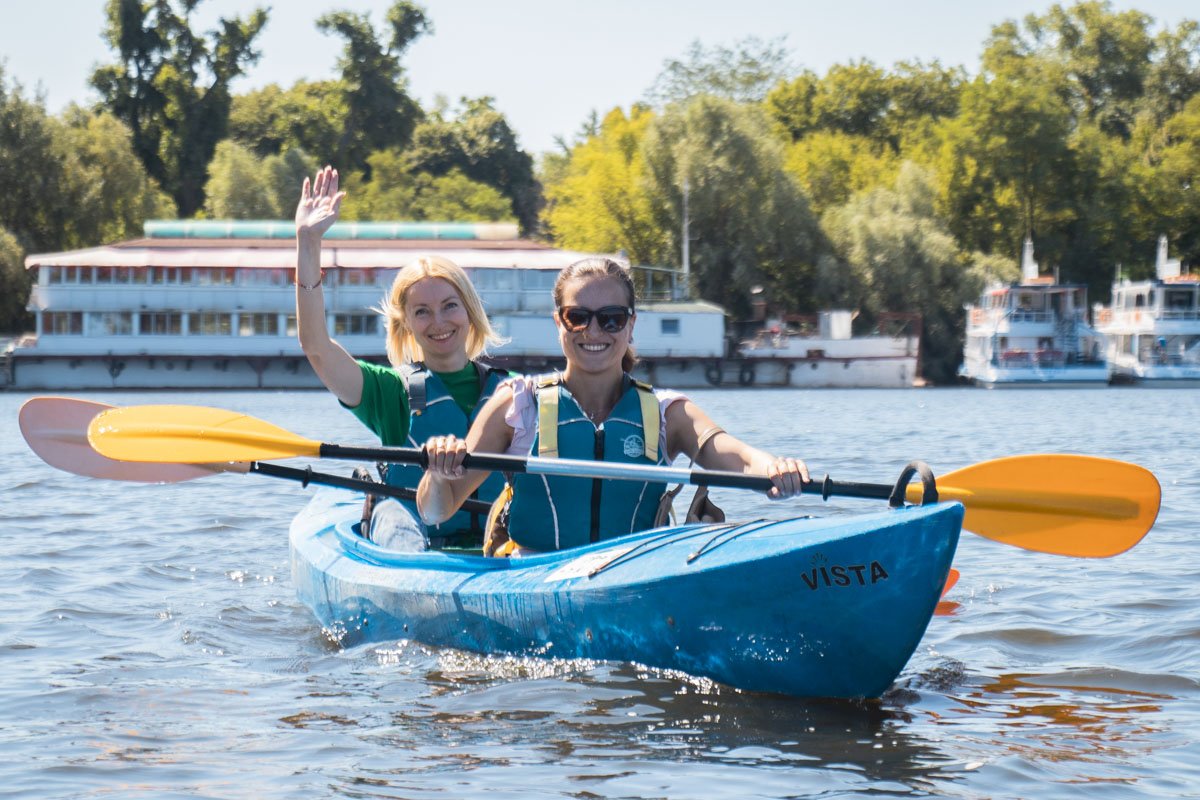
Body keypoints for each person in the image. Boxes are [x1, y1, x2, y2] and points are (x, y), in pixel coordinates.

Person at [416, 257, 809, 556]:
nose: (594, 331)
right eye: (578, 317)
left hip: (632, 579)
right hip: (533, 577)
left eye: (611, 319)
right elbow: (436, 511)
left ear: (631, 324)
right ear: (559, 322)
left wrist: (773, 470)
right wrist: (438, 472)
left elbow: (734, 455)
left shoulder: (668, 413)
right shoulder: (516, 405)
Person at [294, 165, 508, 550]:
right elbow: (317, 348)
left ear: (469, 312)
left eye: (449, 306)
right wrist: (308, 244)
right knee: (390, 512)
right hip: (412, 549)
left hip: (495, 550)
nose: (438, 322)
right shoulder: (391, 392)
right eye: (422, 311)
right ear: (406, 323)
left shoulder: (511, 395)